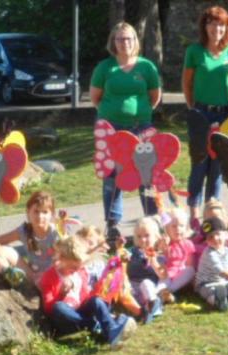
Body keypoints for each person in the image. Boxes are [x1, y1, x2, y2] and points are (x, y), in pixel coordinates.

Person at [90, 21, 162, 242]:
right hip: (111, 130)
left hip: (141, 128)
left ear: (135, 41)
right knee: (112, 177)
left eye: (128, 38)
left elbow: (154, 97)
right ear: (114, 42)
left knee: (146, 175)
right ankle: (112, 225)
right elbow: (95, 97)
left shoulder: (147, 67)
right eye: (120, 39)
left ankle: (152, 220)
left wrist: (138, 115)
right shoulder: (105, 68)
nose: (124, 43)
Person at [183, 5, 228, 220]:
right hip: (201, 112)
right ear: (205, 26)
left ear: (227, 28)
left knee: (217, 163)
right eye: (213, 23)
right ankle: (194, 212)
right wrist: (194, 110)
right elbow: (187, 84)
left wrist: (226, 108)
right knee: (199, 161)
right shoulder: (194, 52)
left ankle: (212, 210)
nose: (217, 28)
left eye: (222, 24)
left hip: (223, 114)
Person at [39, 236, 136, 347]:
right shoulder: (50, 276)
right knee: (59, 307)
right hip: (67, 319)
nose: (76, 270)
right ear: (62, 258)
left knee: (95, 300)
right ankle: (100, 326)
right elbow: (48, 308)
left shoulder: (80, 272)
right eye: (73, 267)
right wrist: (62, 294)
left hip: (81, 312)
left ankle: (111, 330)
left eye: (79, 266)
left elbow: (86, 297)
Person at [0, 191, 60, 287]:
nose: (40, 216)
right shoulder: (24, 231)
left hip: (53, 276)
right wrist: (4, 261)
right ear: (28, 212)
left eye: (45, 212)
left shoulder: (56, 233)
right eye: (36, 211)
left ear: (52, 214)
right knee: (4, 249)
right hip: (32, 275)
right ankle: (9, 272)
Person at [127, 217, 166, 323]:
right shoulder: (132, 251)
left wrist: (153, 261)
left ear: (155, 236)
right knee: (126, 291)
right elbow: (123, 259)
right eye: (139, 236)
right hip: (133, 285)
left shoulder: (159, 254)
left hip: (150, 286)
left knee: (146, 284)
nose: (143, 240)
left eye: (147, 236)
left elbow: (162, 275)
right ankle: (145, 308)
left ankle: (153, 305)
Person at [160, 208, 196, 302]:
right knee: (163, 279)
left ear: (186, 227)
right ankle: (161, 294)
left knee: (190, 270)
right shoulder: (165, 244)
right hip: (166, 274)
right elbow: (161, 261)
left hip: (180, 275)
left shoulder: (188, 243)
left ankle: (167, 292)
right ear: (167, 228)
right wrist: (164, 247)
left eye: (181, 226)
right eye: (174, 226)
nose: (178, 229)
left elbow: (190, 264)